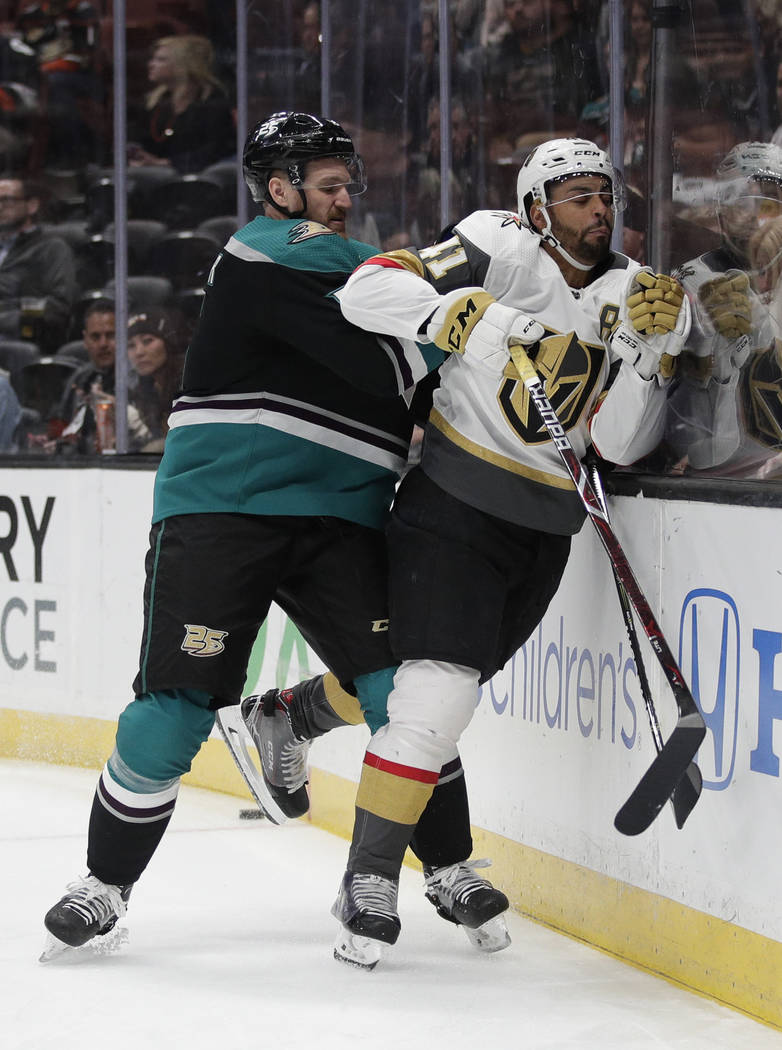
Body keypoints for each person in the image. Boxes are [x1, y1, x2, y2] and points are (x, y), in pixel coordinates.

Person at [41, 111, 508, 961]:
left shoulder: (364, 279)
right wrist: (492, 273)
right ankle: (103, 885)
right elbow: (406, 333)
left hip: (343, 511)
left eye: (346, 185)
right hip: (226, 504)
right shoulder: (268, 250)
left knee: (403, 694)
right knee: (172, 709)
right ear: (280, 187)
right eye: (326, 184)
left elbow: (417, 353)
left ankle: (444, 861)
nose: (341, 200)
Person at [331, 136, 691, 968]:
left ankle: (299, 713)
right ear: (538, 209)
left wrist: (649, 357)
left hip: (545, 532)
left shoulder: (640, 294)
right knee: (435, 700)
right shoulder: (494, 243)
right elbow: (363, 289)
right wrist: (453, 311)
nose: (598, 209)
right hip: (451, 507)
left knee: (436, 693)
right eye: (577, 196)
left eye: (605, 195)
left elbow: (624, 446)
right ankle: (369, 879)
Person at [666, 141, 782, 476]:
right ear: (720, 209)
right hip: (723, 471)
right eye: (743, 200)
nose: (757, 214)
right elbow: (676, 420)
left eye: (771, 201)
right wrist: (707, 356)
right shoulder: (690, 283)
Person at [128, 34, 234, 174]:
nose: (151, 64)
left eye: (161, 60)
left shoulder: (212, 104)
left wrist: (165, 163)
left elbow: (216, 150)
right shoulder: (154, 105)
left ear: (182, 65)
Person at [0, 174, 76, 353]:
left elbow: (57, 307)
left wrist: (9, 316)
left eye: (7, 200)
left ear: (32, 205)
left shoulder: (51, 248)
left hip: (21, 342)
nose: (0, 207)